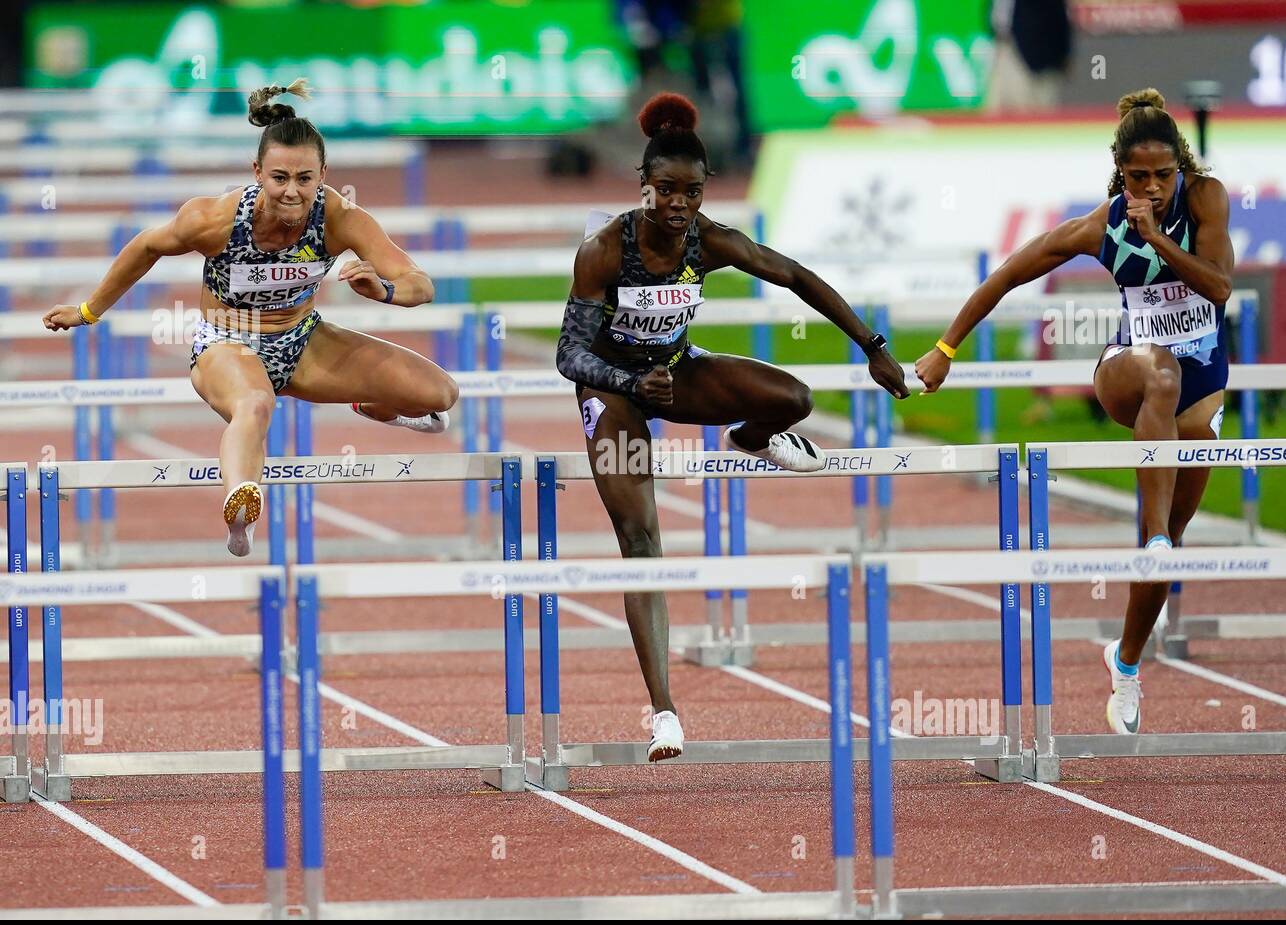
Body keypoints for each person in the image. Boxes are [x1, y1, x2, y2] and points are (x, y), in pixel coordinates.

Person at [556, 92, 909, 761]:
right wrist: (629, 382)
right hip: (614, 390)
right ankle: (664, 713)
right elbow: (567, 354)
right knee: (640, 533)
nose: (679, 205)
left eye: (691, 191)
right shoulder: (605, 250)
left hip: (676, 370)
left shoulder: (710, 241)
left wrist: (871, 345)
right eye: (666, 191)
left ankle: (751, 437)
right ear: (643, 188)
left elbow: (795, 276)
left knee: (794, 397)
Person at [916, 88, 1233, 736]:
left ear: (1182, 169)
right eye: (1138, 177)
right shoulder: (1101, 226)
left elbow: (1219, 286)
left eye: (1163, 176)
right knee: (1160, 376)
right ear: (1121, 174)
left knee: (1171, 539)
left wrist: (1160, 240)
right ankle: (1151, 539)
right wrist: (946, 348)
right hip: (1131, 368)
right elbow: (1009, 272)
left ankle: (1125, 660)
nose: (1152, 188)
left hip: (1205, 377)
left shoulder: (1206, 199)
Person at [42, 79, 457, 557]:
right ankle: (242, 505)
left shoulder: (342, 217)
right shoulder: (214, 219)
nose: (291, 192)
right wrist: (89, 311)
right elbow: (146, 246)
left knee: (440, 394)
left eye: (304, 179)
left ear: (323, 174)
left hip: (302, 341)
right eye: (279, 178)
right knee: (256, 405)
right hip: (226, 342)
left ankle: (370, 403)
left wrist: (383, 289)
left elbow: (419, 284)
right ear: (257, 171)